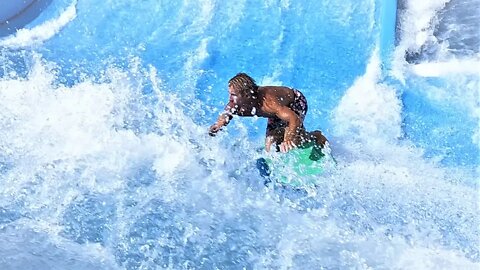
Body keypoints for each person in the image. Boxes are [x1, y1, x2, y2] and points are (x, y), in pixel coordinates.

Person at [209, 73, 328, 153]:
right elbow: (226, 114)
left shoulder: (269, 103)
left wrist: (288, 139)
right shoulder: (235, 104)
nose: (230, 98)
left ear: (246, 94)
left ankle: (315, 136)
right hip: (275, 114)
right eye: (230, 93)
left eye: (234, 94)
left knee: (293, 143)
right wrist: (219, 124)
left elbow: (294, 119)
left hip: (294, 103)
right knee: (270, 146)